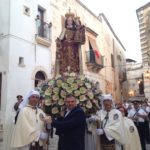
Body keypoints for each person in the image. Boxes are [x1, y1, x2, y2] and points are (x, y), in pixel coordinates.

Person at [56, 10, 85, 75]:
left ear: (72, 21)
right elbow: (60, 39)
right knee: (65, 61)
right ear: (66, 21)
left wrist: (79, 27)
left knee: (74, 61)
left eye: (71, 20)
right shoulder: (64, 30)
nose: (69, 22)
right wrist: (58, 41)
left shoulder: (76, 30)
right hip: (65, 49)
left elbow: (80, 39)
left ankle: (74, 71)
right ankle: (65, 71)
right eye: (68, 20)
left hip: (74, 49)